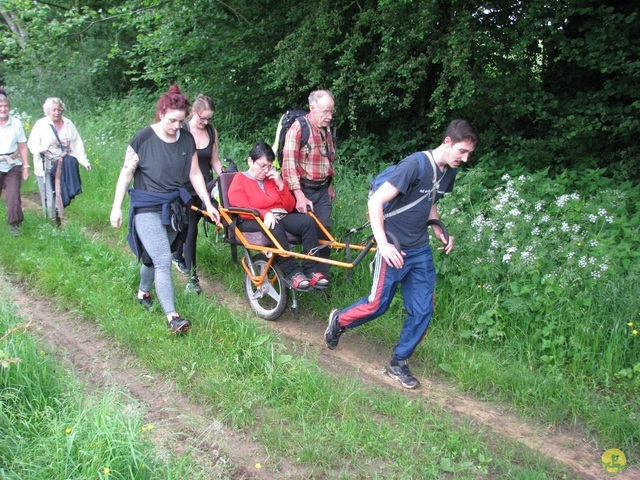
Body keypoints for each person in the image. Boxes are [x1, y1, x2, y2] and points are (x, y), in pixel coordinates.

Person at [324, 119, 480, 389]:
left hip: (419, 249)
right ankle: (339, 321)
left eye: (469, 154)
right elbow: (376, 202)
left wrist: (439, 230)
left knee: (423, 309)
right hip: (393, 246)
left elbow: (429, 201)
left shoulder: (448, 172)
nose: (464, 159)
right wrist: (383, 244)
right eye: (462, 152)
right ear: (447, 142)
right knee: (377, 305)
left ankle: (399, 361)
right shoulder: (414, 165)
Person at [110, 85, 220, 334]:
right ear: (161, 113)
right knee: (162, 260)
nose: (177, 126)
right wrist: (116, 208)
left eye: (181, 121)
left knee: (152, 258)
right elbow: (125, 174)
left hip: (173, 207)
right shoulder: (143, 139)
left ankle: (142, 292)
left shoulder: (187, 138)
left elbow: (194, 173)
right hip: (146, 206)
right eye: (172, 120)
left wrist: (209, 203)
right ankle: (173, 317)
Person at [227, 141, 325, 290]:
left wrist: (280, 184)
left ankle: (310, 269)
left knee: (307, 222)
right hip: (250, 219)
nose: (266, 170)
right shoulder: (240, 179)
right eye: (262, 165)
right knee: (274, 225)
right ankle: (292, 271)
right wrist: (264, 213)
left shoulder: (271, 180)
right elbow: (240, 207)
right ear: (250, 161)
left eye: (269, 166)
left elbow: (289, 206)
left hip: (278, 215)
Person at [281, 89, 336, 288]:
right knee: (307, 231)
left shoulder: (326, 128)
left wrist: (330, 184)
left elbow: (328, 158)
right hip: (303, 190)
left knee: (325, 234)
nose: (330, 116)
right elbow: (288, 166)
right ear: (312, 109)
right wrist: (299, 196)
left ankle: (322, 280)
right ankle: (303, 272)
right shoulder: (297, 129)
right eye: (325, 112)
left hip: (322, 190)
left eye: (331, 111)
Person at [170, 94, 223, 294]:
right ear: (193, 112)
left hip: (206, 187)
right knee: (191, 230)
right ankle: (192, 278)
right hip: (185, 188)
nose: (206, 122)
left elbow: (215, 160)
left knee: (218, 216)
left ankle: (177, 252)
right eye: (203, 118)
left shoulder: (211, 131)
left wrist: (226, 179)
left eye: (209, 118)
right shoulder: (182, 131)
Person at [27, 97, 91, 223]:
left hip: (63, 165)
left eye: (59, 109)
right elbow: (32, 143)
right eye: (53, 110)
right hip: (45, 164)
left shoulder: (68, 124)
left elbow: (77, 144)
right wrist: (40, 149)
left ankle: (58, 215)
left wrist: (84, 162)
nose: (56, 112)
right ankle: (51, 222)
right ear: (47, 111)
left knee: (62, 192)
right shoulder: (41, 124)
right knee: (48, 195)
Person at [0, 92, 30, 236]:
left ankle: (14, 223)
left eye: (6, 106)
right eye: (0, 106)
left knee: (12, 195)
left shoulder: (16, 123)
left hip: (12, 164)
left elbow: (23, 146)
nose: (3, 109)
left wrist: (26, 166)